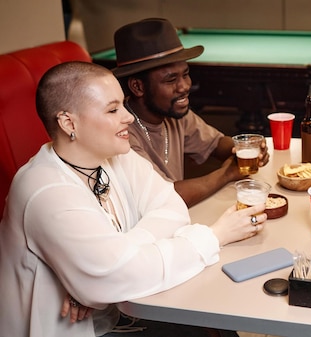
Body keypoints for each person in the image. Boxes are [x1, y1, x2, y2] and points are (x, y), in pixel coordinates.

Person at [0, 61, 267, 337]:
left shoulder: (116, 156)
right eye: (113, 109)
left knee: (217, 325)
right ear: (69, 123)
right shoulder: (47, 191)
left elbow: (171, 207)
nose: (128, 117)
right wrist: (214, 236)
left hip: (119, 311)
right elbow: (117, 276)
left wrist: (107, 271)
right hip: (83, 330)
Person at [111, 17, 269, 207]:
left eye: (185, 74)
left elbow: (216, 143)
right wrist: (227, 173)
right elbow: (165, 197)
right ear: (137, 87)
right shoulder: (121, 135)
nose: (184, 87)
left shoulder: (174, 113)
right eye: (171, 80)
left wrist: (244, 149)